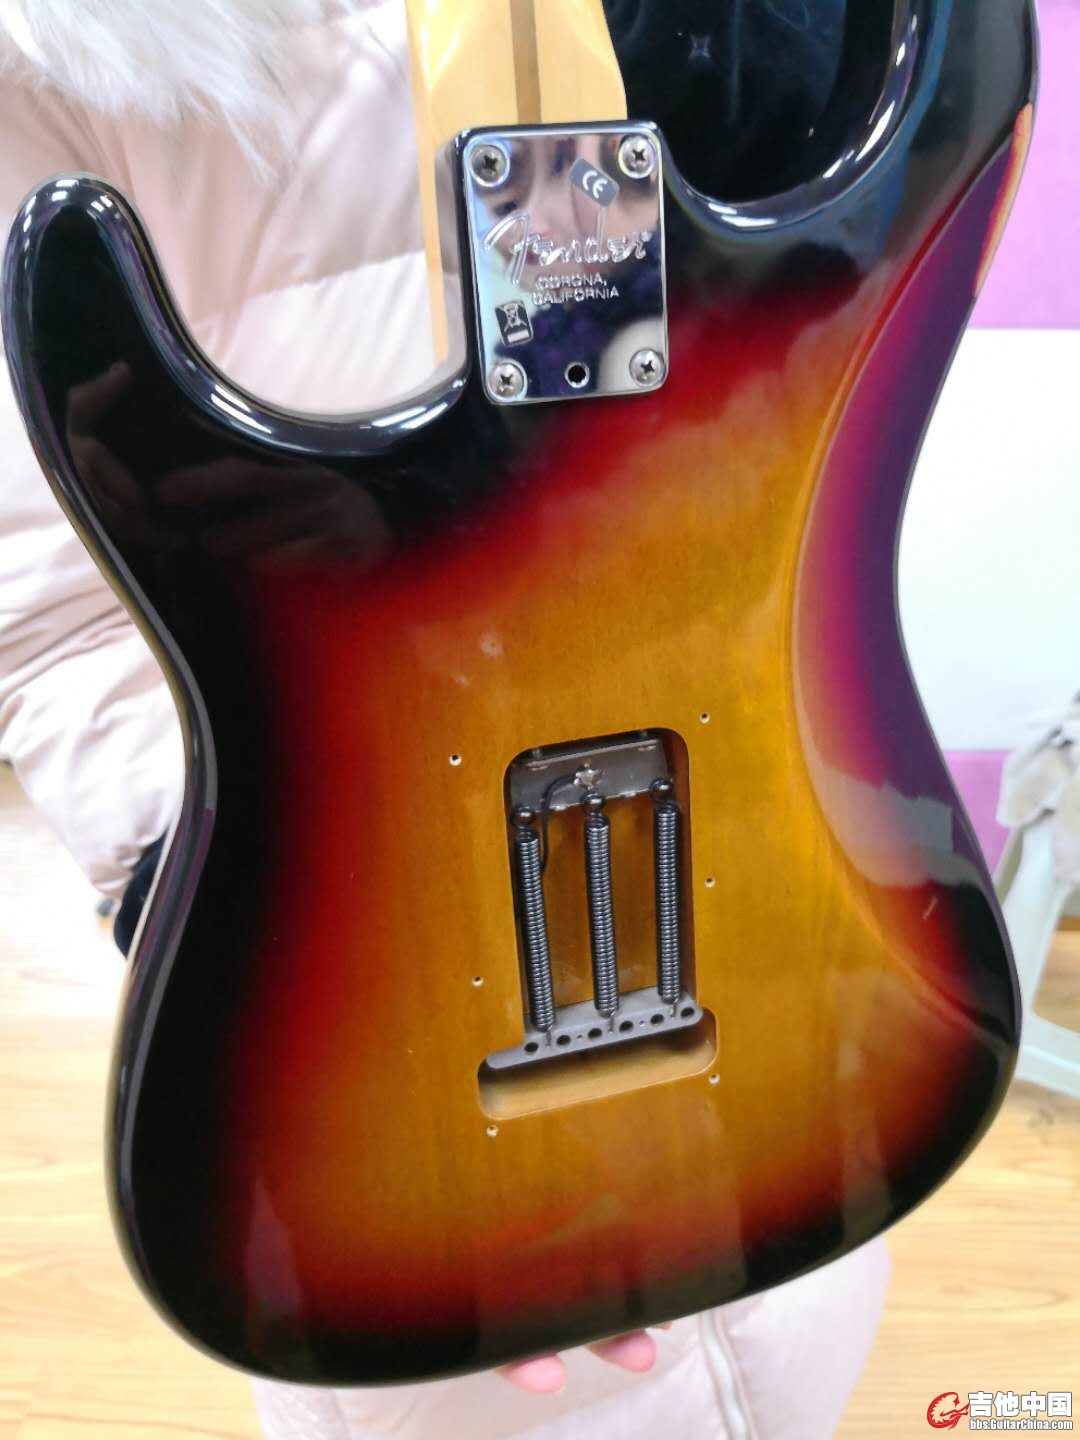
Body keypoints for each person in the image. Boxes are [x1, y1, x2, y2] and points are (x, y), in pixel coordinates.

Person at [0, 2, 890, 1436]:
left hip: (792, 953)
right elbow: (51, 613)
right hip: (401, 1064)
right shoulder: (55, 52)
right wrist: (272, 938)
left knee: (802, 1341)